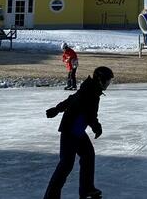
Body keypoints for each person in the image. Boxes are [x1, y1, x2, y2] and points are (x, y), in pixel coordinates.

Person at [43, 66, 114, 199]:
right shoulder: (89, 92)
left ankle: (87, 188)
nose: (109, 84)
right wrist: (96, 126)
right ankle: (50, 196)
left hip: (77, 130)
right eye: (108, 81)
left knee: (88, 155)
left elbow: (75, 101)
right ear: (101, 79)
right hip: (70, 130)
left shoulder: (91, 89)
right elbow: (86, 111)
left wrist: (57, 109)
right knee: (66, 164)